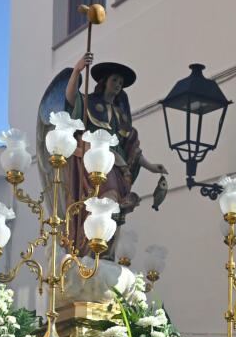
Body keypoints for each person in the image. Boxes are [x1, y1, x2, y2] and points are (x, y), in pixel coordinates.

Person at [63, 52, 167, 222]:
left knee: (113, 196)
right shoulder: (89, 103)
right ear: (105, 82)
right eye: (114, 80)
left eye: (120, 82)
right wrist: (77, 70)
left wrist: (152, 167)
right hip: (95, 157)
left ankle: (111, 213)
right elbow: (71, 97)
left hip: (119, 164)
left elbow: (132, 149)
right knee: (108, 190)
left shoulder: (121, 115)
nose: (118, 84)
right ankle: (108, 211)